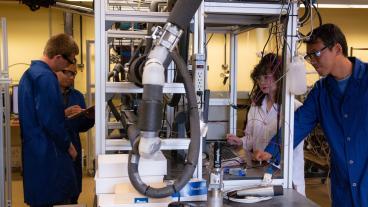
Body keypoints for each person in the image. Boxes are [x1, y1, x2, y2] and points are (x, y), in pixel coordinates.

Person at [254, 23, 368, 206]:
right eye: (309, 56)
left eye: (315, 53)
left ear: (337, 49)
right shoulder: (321, 92)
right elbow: (298, 124)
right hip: (343, 189)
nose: (312, 61)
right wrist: (271, 151)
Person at [226, 53, 305, 195]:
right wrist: (240, 142)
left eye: (267, 77)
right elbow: (250, 140)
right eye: (259, 77)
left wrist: (270, 154)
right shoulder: (256, 106)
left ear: (280, 76)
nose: (262, 82)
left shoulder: (294, 108)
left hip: (286, 178)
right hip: (259, 174)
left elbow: (293, 145)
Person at [18, 33, 79, 207]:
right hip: (50, 156)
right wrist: (68, 145)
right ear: (58, 57)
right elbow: (51, 122)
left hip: (35, 155)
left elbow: (40, 113)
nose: (69, 65)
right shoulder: (46, 77)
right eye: (69, 61)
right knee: (59, 198)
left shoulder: (28, 74)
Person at [56, 63, 95, 204]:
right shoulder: (48, 94)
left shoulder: (77, 95)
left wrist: (89, 118)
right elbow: (45, 120)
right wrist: (64, 114)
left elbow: (81, 127)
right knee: (56, 192)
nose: (72, 78)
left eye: (74, 74)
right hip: (55, 149)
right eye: (70, 73)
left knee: (74, 190)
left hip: (74, 148)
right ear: (58, 71)